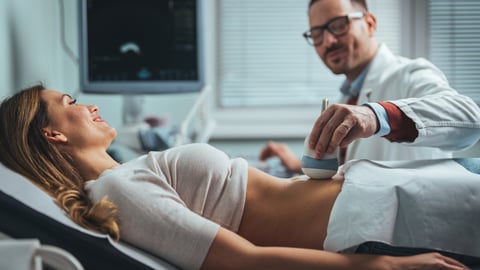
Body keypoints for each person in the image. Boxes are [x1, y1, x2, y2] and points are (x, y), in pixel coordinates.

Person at [0, 85, 476, 270]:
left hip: (378, 199)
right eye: (69, 104)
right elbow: (243, 261)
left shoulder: (126, 174)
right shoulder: (116, 191)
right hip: (382, 225)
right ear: (52, 135)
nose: (88, 106)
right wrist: (384, 268)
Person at [259, 0, 480, 174]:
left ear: (370, 23)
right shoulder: (348, 98)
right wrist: (300, 165)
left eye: (338, 26)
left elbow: (470, 119)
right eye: (317, 35)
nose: (328, 41)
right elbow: (352, 170)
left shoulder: (408, 74)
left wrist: (374, 116)